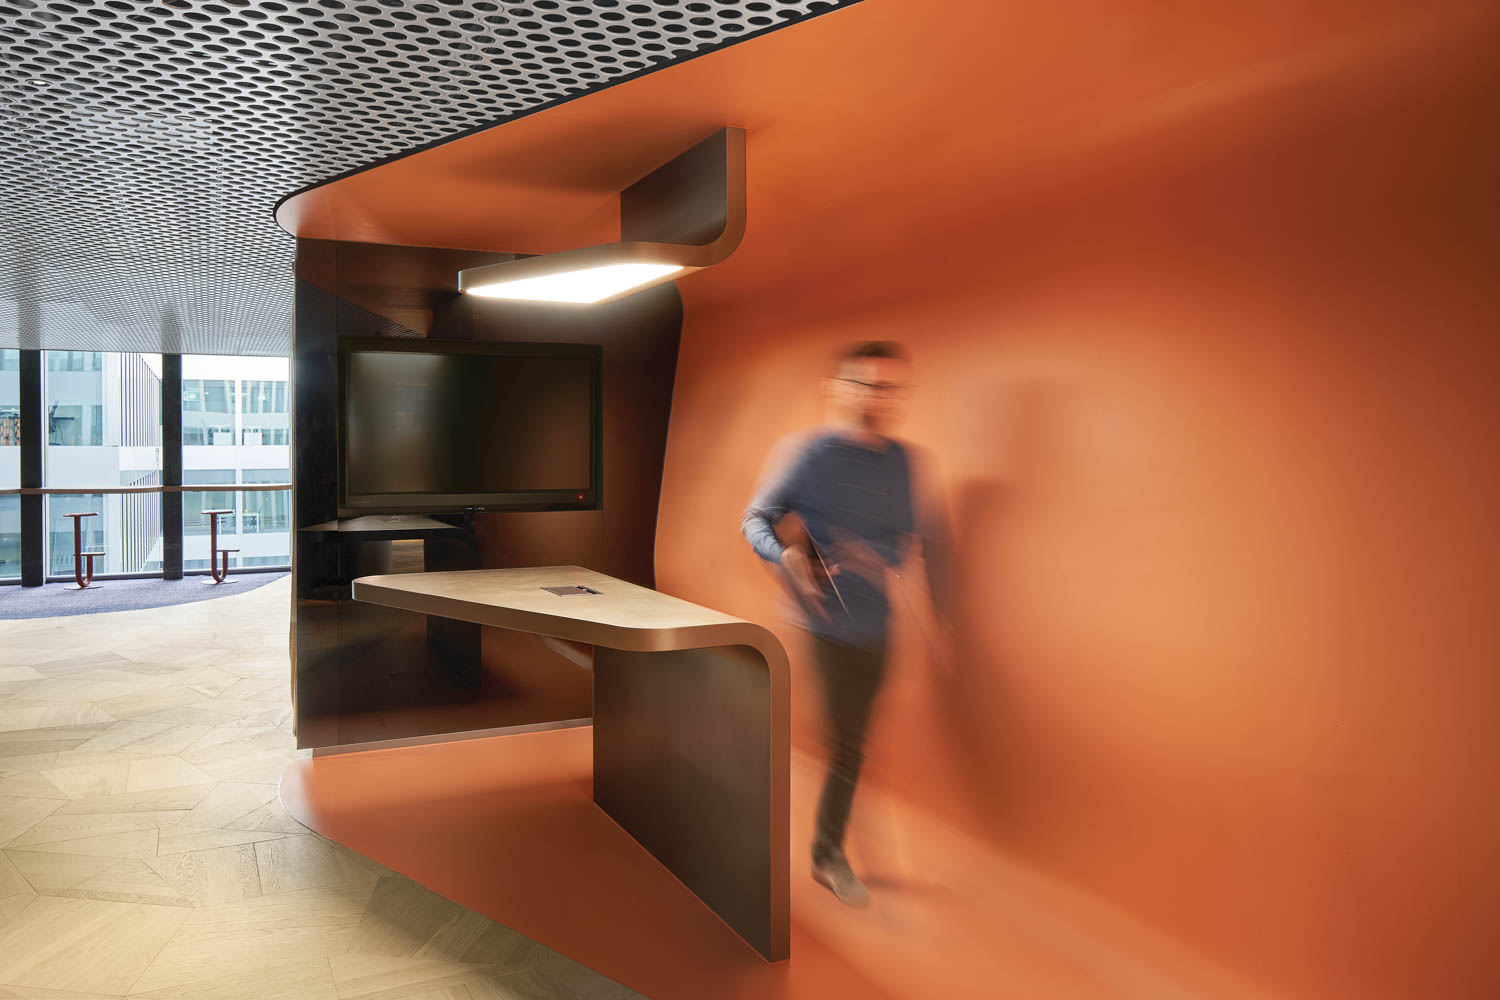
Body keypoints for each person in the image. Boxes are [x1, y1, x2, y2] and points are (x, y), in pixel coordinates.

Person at [741, 340, 949, 907]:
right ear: (839, 389)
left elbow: (925, 544)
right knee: (847, 740)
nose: (877, 398)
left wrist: (942, 616)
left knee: (851, 742)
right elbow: (756, 519)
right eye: (865, 385)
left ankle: (829, 847)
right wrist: (783, 557)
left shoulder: (907, 463)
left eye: (889, 387)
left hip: (877, 625)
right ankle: (828, 855)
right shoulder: (809, 454)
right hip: (821, 623)